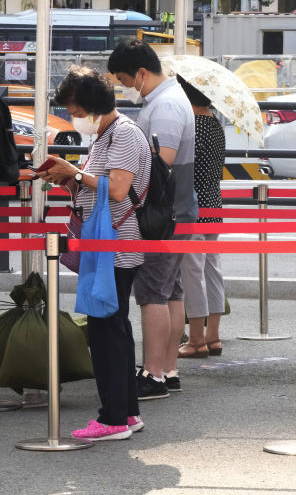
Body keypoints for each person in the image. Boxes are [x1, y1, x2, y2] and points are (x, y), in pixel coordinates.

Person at [38, 67, 150, 441]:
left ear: (92, 106)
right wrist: (71, 179)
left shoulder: (123, 135)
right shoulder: (106, 136)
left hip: (114, 244)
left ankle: (113, 417)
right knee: (113, 327)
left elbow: (117, 190)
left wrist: (76, 173)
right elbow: (100, 187)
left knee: (105, 331)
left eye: (77, 110)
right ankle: (126, 413)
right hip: (106, 242)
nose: (76, 117)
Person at [107, 40, 198, 400]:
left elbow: (163, 160)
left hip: (162, 215)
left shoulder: (166, 106)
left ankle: (154, 373)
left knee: (152, 294)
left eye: (127, 80)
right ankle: (168, 368)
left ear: (142, 73)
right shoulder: (170, 100)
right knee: (171, 292)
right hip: (176, 211)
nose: (127, 88)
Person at [175, 75, 226, 359]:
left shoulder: (191, 126)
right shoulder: (216, 123)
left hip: (192, 205)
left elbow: (183, 169)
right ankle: (213, 336)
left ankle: (195, 339)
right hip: (213, 202)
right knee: (212, 268)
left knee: (192, 271)